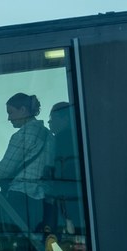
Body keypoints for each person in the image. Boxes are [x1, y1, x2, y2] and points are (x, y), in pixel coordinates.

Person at [0, 92, 54, 251]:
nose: (8, 118)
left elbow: (6, 168)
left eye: (11, 112)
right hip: (41, 199)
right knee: (37, 245)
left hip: (20, 196)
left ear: (23, 110)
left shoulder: (23, 134)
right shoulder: (47, 134)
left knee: (17, 246)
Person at [47, 102, 83, 241]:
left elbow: (58, 172)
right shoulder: (79, 137)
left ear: (65, 119)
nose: (49, 123)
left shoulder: (60, 140)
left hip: (69, 199)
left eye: (52, 119)